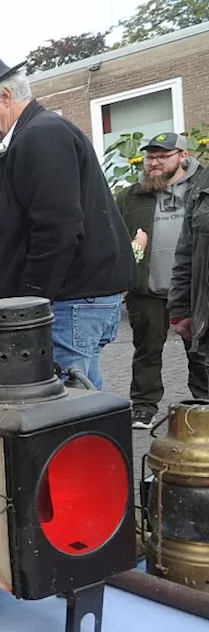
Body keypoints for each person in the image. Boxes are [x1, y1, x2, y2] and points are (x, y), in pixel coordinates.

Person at [0, 45, 135, 389]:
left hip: (69, 302)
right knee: (86, 406)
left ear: (4, 96)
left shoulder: (41, 135)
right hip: (75, 300)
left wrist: (30, 307)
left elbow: (56, 230)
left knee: (66, 417)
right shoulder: (39, 133)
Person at [142, 133, 209, 427]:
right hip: (186, 300)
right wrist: (181, 308)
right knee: (200, 375)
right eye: (150, 156)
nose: (154, 162)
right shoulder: (202, 193)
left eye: (162, 155)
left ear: (182, 155)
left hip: (195, 297)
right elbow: (186, 253)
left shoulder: (196, 185)